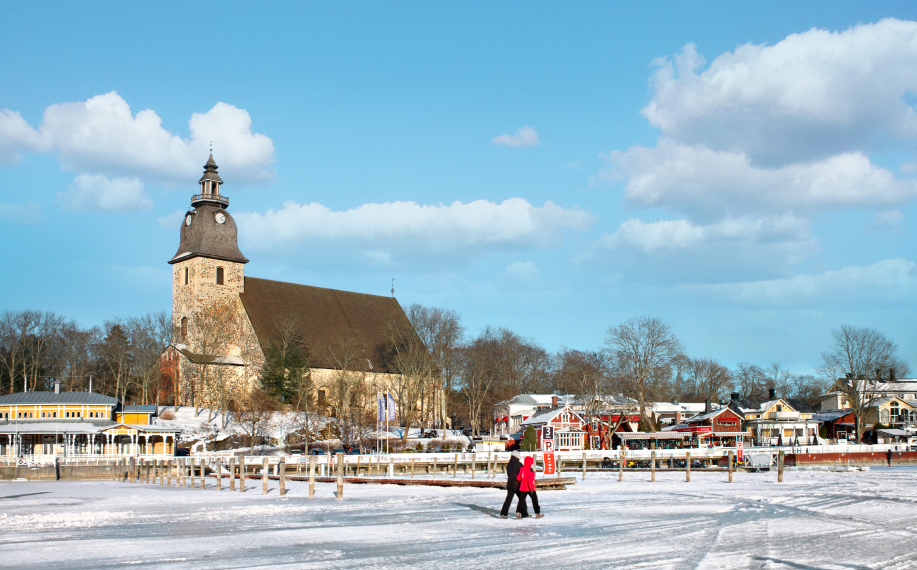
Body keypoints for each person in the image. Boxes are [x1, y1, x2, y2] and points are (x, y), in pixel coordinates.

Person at [500, 451, 523, 519]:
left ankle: (503, 513)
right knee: (521, 499)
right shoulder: (519, 464)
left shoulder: (509, 464)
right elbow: (521, 473)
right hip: (517, 484)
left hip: (510, 483)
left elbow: (509, 474)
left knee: (508, 499)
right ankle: (524, 513)